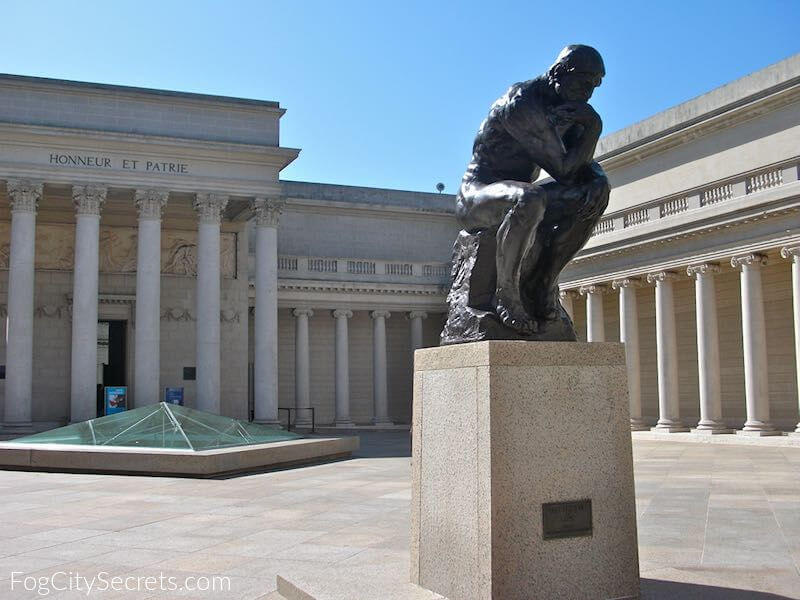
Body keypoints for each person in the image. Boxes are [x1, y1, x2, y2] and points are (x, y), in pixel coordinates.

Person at [454, 44, 610, 334]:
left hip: (523, 195)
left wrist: (597, 176)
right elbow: (564, 169)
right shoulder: (521, 102)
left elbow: (580, 167)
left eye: (595, 86)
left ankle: (542, 285)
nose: (589, 93)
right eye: (585, 81)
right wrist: (594, 126)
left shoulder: (571, 108)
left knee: (596, 190)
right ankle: (507, 294)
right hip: (477, 196)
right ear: (559, 73)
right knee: (529, 197)